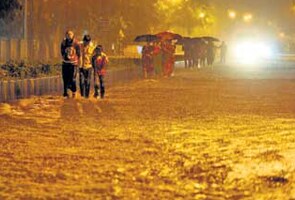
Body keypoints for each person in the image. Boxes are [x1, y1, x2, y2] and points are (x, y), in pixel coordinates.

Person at [60, 30, 81, 98]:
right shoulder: (63, 43)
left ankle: (74, 91)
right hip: (65, 63)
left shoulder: (76, 43)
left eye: (70, 34)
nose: (69, 36)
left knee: (72, 79)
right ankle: (66, 93)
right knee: (65, 78)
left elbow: (79, 54)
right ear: (65, 35)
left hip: (73, 64)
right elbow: (62, 52)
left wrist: (79, 63)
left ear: (73, 35)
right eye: (67, 34)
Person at [79, 34, 95, 98]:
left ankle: (87, 96)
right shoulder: (80, 46)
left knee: (87, 81)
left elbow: (94, 57)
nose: (86, 43)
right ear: (83, 41)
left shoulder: (92, 48)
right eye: (85, 41)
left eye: (88, 42)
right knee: (81, 81)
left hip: (89, 67)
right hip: (81, 66)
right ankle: (82, 95)